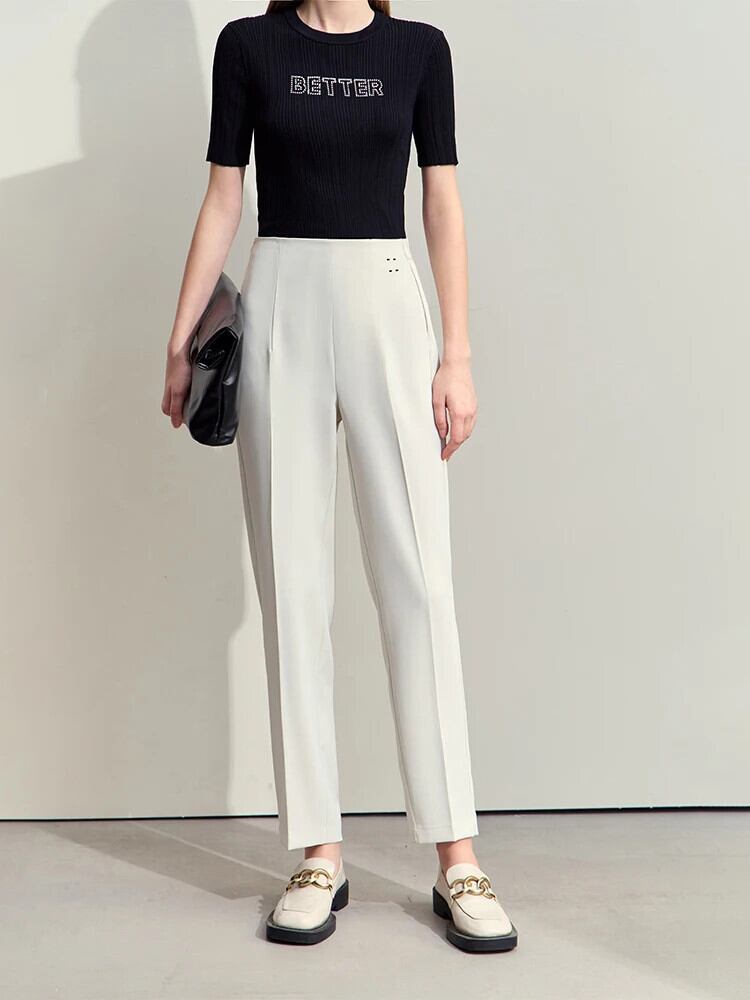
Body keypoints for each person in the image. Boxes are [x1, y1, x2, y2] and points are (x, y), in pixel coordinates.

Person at [161, 0, 517, 953]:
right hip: (282, 294)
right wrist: (181, 335)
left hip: (388, 301)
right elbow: (224, 196)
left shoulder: (419, 51)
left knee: (419, 579)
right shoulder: (249, 45)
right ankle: (318, 850)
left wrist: (458, 355)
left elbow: (441, 200)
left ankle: (457, 857)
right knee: (293, 583)